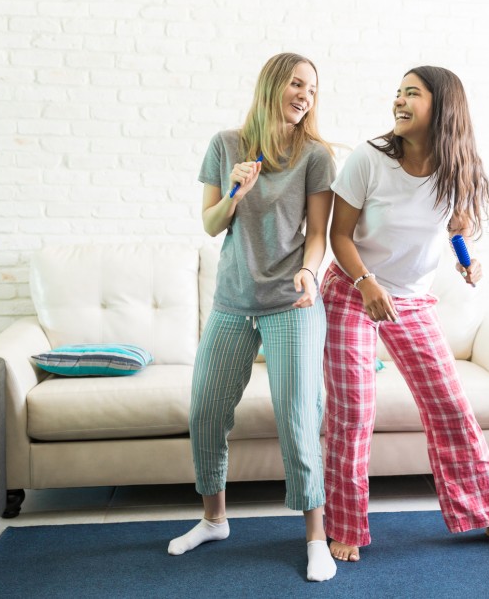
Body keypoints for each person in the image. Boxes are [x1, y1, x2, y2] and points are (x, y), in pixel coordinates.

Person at [320, 65, 489, 563]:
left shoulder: (457, 167)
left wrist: (467, 260)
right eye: (397, 92)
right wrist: (367, 283)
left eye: (411, 94)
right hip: (354, 290)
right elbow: (338, 237)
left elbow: (454, 227)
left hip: (412, 300)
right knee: (353, 412)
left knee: (451, 408)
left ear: (441, 107)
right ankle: (345, 524)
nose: (398, 101)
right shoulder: (369, 159)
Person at [168, 52, 337, 582]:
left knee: (297, 416)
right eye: (295, 83)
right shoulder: (225, 146)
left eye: (311, 88)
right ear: (271, 85)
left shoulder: (315, 156)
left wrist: (311, 273)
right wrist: (236, 193)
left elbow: (317, 236)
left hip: (294, 301)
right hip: (233, 303)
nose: (304, 94)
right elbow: (211, 224)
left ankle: (315, 537)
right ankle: (214, 519)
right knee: (206, 410)